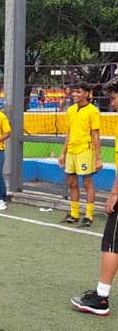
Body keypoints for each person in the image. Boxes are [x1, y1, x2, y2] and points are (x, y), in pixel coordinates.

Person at [70, 80, 118, 316]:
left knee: (112, 243)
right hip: (73, 151)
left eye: (114, 97)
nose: (113, 102)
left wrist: (114, 194)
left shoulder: (94, 114)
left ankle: (101, 298)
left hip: (87, 155)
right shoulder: (71, 111)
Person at [58, 82, 101, 227]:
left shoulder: (92, 111)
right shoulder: (70, 110)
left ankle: (88, 216)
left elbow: (95, 135)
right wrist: (63, 152)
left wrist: (98, 158)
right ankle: (74, 214)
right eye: (74, 92)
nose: (75, 94)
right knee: (72, 182)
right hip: (71, 151)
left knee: (87, 182)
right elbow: (68, 133)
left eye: (79, 92)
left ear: (87, 94)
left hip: (85, 150)